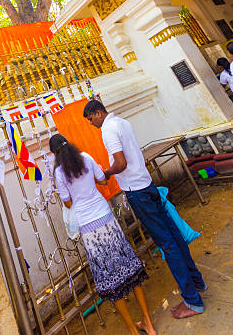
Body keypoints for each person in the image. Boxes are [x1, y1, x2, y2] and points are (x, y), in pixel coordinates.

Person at [83, 99, 207, 321]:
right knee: (174, 237)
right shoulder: (122, 122)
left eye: (91, 119)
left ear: (98, 113)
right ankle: (197, 282)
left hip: (137, 192)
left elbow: (120, 163)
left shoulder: (108, 130)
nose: (91, 124)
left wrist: (107, 173)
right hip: (147, 185)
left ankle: (193, 300)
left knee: (167, 244)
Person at [49, 133, 156, 335]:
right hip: (106, 218)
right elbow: (103, 181)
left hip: (88, 227)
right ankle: (148, 324)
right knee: (129, 267)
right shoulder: (86, 158)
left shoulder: (60, 173)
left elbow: (68, 203)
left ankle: (133, 330)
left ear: (55, 153)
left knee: (109, 278)